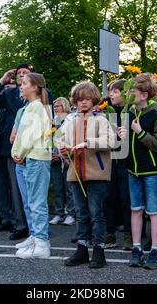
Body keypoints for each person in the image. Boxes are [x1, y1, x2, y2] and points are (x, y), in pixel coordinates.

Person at [59, 81, 116, 269]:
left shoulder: (101, 120)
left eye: (87, 99)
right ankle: (82, 249)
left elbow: (110, 141)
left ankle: (99, 251)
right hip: (76, 174)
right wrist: (64, 150)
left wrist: (86, 142)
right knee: (81, 214)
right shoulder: (71, 122)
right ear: (75, 102)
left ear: (94, 100)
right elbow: (64, 145)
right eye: (79, 99)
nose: (83, 103)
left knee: (96, 214)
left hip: (96, 174)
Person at [118, 74, 157, 269]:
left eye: (132, 92)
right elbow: (121, 147)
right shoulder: (127, 113)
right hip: (132, 171)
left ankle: (155, 250)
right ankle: (136, 248)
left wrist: (141, 133)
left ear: (145, 95)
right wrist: (119, 136)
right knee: (135, 209)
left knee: (154, 211)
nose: (128, 95)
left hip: (152, 172)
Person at [0, 64, 37, 240]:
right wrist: (2, 80)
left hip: (34, 147)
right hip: (13, 148)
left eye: (26, 73)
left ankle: (36, 228)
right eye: (18, 74)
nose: (21, 75)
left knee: (33, 190)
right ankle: (21, 225)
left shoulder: (42, 93)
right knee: (17, 190)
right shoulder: (9, 94)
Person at [11, 73, 52, 259]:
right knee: (32, 201)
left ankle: (42, 243)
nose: (21, 85)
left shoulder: (36, 107)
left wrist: (19, 153)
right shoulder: (31, 107)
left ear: (34, 87)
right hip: (33, 157)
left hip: (36, 158)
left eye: (25, 83)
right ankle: (36, 236)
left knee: (37, 202)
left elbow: (29, 135)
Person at [104, 79, 132, 250]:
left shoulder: (131, 112)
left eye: (114, 91)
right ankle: (109, 233)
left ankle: (129, 235)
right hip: (110, 160)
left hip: (127, 161)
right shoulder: (106, 112)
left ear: (124, 93)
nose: (111, 95)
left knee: (126, 199)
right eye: (110, 92)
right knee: (108, 197)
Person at [49, 97, 76, 226]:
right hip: (54, 159)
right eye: (54, 107)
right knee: (57, 188)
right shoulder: (53, 122)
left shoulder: (70, 120)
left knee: (69, 188)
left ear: (65, 106)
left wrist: (65, 156)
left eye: (57, 106)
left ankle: (71, 213)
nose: (55, 109)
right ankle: (59, 213)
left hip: (67, 158)